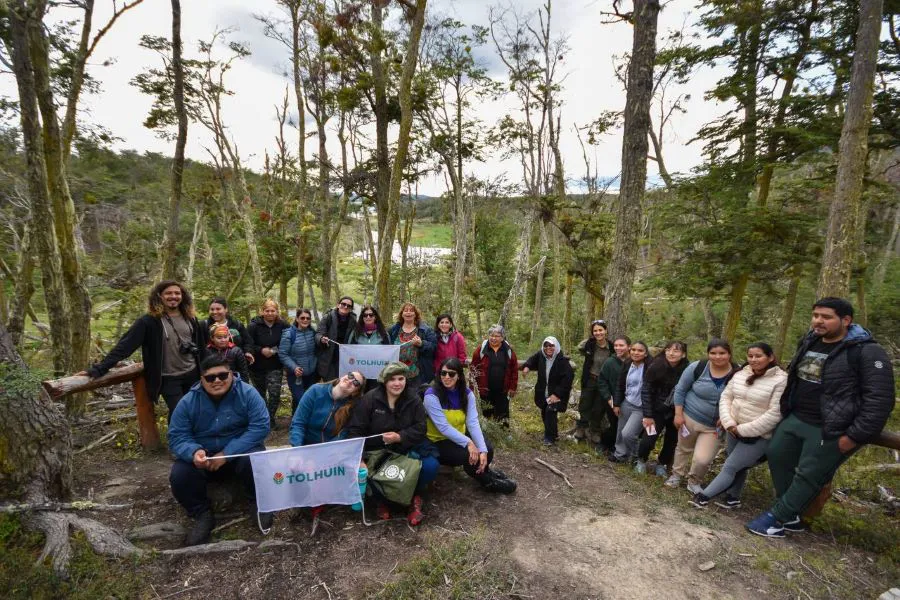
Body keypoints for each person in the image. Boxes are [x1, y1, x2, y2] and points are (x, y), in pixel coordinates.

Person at [746, 298, 895, 538]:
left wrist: (853, 436)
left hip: (831, 427)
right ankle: (791, 514)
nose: (818, 321)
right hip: (797, 416)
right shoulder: (810, 340)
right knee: (777, 455)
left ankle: (776, 518)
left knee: (810, 473)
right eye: (815, 315)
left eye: (826, 317)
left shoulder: (867, 351)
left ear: (846, 320)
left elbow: (880, 400)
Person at [167, 355, 271, 546]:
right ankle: (201, 513)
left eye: (222, 375)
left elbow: (260, 426)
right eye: (210, 378)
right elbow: (177, 435)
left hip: (238, 452)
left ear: (231, 374)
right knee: (179, 475)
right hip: (204, 457)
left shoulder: (248, 394)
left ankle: (259, 502)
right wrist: (194, 452)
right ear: (202, 379)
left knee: (254, 460)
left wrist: (226, 454)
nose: (217, 381)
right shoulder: (188, 402)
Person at [80, 280, 204, 422]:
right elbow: (124, 347)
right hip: (168, 377)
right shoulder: (148, 322)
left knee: (195, 410)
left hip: (192, 373)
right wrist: (98, 369)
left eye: (177, 293)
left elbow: (201, 346)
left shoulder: (190, 318)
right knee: (179, 412)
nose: (173, 296)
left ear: (183, 296)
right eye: (168, 293)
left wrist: (205, 371)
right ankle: (178, 443)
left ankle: (191, 442)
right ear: (159, 296)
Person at [691, 343, 786, 509]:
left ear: (770, 357)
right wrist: (730, 423)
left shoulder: (781, 380)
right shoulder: (742, 373)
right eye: (750, 356)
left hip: (758, 435)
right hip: (733, 428)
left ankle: (703, 497)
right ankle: (733, 497)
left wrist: (742, 430)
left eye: (759, 356)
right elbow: (726, 397)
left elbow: (775, 413)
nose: (753, 360)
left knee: (731, 466)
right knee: (737, 465)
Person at [345, 362, 440, 526]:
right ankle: (383, 500)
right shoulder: (370, 399)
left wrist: (400, 436)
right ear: (384, 381)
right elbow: (356, 430)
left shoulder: (413, 399)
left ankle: (414, 498)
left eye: (401, 378)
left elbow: (420, 427)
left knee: (431, 466)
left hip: (407, 447)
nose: (397, 383)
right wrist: (359, 460)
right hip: (377, 452)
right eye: (392, 379)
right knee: (365, 472)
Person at [423, 358, 517, 494]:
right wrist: (469, 443)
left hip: (459, 434)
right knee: (470, 455)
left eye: (451, 374)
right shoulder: (431, 395)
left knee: (487, 448)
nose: (446, 377)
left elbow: (472, 422)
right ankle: (488, 482)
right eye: (443, 373)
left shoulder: (467, 394)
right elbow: (443, 427)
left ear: (459, 376)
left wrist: (483, 450)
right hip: (438, 441)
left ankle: (485, 471)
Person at [666, 339, 737, 493]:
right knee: (683, 448)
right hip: (690, 416)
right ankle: (676, 475)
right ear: (708, 354)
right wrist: (678, 414)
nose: (717, 357)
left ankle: (694, 481)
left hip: (715, 426)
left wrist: (728, 416)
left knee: (703, 459)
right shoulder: (698, 367)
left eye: (722, 353)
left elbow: (741, 398)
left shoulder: (737, 373)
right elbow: (681, 390)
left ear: (729, 354)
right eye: (713, 353)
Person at [635, 341, 689, 477]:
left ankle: (662, 464)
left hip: (675, 411)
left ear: (683, 355)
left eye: (676, 351)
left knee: (671, 441)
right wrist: (648, 415)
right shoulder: (656, 365)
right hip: (656, 410)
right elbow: (646, 390)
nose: (671, 353)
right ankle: (641, 460)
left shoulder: (688, 370)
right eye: (668, 350)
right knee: (648, 438)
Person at [523, 336, 574, 446]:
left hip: (557, 393)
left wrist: (557, 394)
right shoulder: (541, 355)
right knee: (544, 410)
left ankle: (549, 438)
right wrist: (527, 366)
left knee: (550, 410)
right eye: (546, 345)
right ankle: (554, 434)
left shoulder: (562, 360)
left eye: (551, 345)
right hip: (543, 391)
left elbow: (567, 379)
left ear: (556, 346)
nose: (548, 348)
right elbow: (532, 359)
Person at [247, 299, 288, 428]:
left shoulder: (283, 325)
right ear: (262, 312)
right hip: (256, 366)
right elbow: (248, 343)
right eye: (267, 311)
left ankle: (270, 418)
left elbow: (289, 342)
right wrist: (260, 350)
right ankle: (262, 418)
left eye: (273, 311)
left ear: (277, 312)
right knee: (260, 394)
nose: (270, 313)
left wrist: (274, 350)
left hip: (275, 365)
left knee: (275, 394)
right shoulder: (253, 326)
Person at [609, 341, 650, 463]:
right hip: (626, 402)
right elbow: (620, 385)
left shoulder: (650, 367)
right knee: (620, 431)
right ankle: (620, 455)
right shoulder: (627, 364)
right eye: (633, 350)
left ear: (646, 353)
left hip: (641, 407)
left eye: (640, 350)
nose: (636, 353)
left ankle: (637, 455)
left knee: (628, 434)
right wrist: (616, 404)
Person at [470, 325, 519, 426]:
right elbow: (473, 369)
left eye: (497, 336)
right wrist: (472, 388)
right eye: (491, 335)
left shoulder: (508, 350)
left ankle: (505, 434)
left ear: (502, 337)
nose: (493, 338)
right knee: (487, 413)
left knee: (503, 414)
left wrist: (513, 387)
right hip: (485, 390)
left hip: (503, 390)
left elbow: (514, 369)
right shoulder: (481, 350)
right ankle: (487, 435)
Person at [388, 302, 437, 390]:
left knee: (414, 400)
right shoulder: (394, 330)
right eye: (405, 310)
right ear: (402, 314)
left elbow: (434, 347)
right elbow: (386, 347)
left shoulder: (425, 330)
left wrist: (422, 344)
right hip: (396, 374)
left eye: (411, 311)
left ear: (415, 314)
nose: (408, 312)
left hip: (417, 374)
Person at [279, 308, 318, 415]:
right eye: (302, 318)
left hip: (311, 374)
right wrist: (294, 367)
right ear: (297, 319)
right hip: (295, 375)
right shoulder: (289, 334)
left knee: (303, 400)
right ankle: (298, 425)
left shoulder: (312, 332)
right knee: (302, 400)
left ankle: (296, 421)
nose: (305, 320)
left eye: (308, 318)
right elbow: (283, 354)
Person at [595, 336, 631, 453]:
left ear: (629, 347)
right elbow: (602, 381)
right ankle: (606, 444)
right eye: (616, 346)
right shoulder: (610, 362)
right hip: (612, 401)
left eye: (621, 345)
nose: (618, 348)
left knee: (627, 427)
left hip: (631, 402)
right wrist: (608, 398)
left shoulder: (634, 362)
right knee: (615, 425)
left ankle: (623, 449)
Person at [348, 304, 390, 391]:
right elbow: (349, 351)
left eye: (371, 315)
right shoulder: (355, 333)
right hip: (359, 372)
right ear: (362, 318)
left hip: (378, 373)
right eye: (365, 315)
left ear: (375, 317)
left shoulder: (383, 333)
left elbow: (389, 352)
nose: (368, 317)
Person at [316, 296, 358, 381]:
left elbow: (356, 338)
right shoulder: (328, 317)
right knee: (330, 385)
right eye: (343, 304)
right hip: (329, 358)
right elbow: (318, 333)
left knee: (344, 383)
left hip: (345, 359)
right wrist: (321, 339)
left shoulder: (353, 321)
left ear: (351, 309)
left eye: (349, 306)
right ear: (338, 305)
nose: (346, 307)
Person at [201, 297, 252, 362]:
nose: (214, 312)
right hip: (213, 364)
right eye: (212, 309)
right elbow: (199, 345)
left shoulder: (237, 325)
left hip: (236, 363)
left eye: (218, 309)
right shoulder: (204, 325)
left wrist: (248, 352)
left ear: (226, 309)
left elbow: (248, 341)